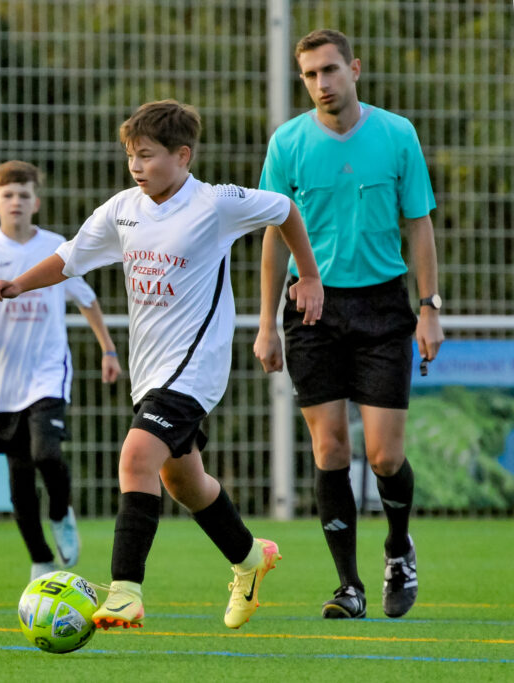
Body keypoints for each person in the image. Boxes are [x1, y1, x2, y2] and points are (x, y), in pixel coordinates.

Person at [0, 101, 324, 630]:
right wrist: (19, 284)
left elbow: (284, 210)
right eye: (130, 156)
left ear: (182, 156)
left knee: (135, 457)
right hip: (149, 370)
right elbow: (71, 257)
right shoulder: (123, 209)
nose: (136, 166)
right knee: (184, 482)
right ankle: (249, 557)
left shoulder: (215, 204)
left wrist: (309, 275)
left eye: (146, 155)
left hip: (195, 366)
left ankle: (125, 591)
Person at [254, 28, 443, 620]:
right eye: (310, 74)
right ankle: (348, 586)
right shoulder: (287, 142)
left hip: (383, 308)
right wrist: (265, 323)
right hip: (311, 310)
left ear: (354, 69)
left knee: (384, 456)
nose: (322, 83)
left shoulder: (397, 133)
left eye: (330, 70)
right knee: (330, 447)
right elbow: (274, 235)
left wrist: (429, 307)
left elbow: (419, 224)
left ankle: (398, 549)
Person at [0, 160, 122, 581]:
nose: (16, 201)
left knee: (46, 454)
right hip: (5, 380)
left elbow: (86, 299)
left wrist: (108, 349)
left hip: (49, 371)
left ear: (36, 202)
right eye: (8, 194)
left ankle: (61, 512)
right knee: (19, 479)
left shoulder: (56, 248)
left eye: (24, 194)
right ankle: (40, 558)